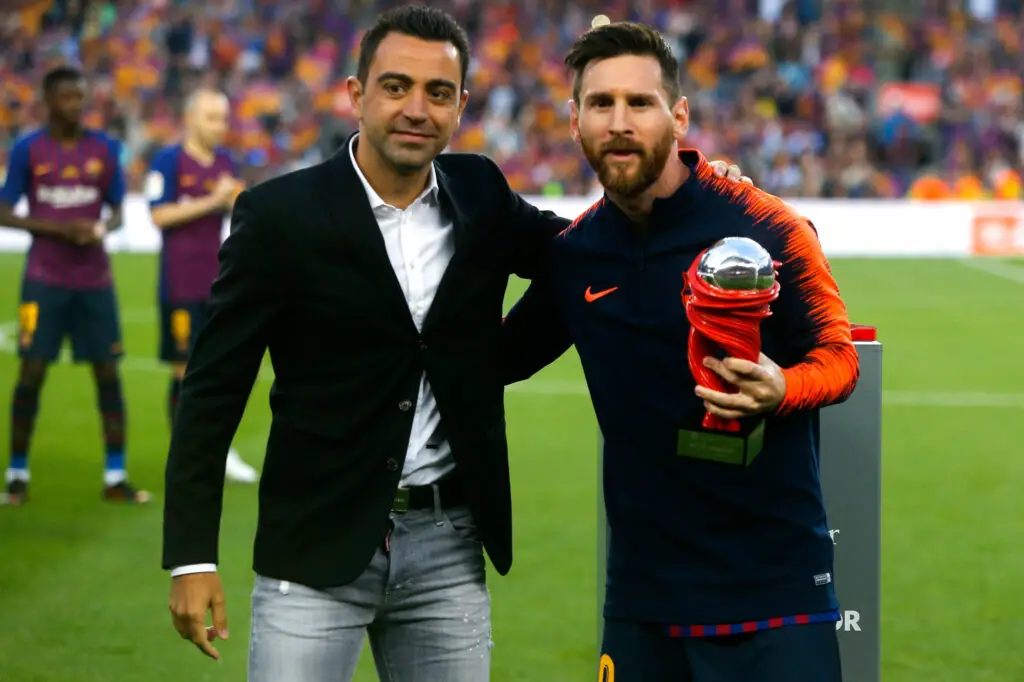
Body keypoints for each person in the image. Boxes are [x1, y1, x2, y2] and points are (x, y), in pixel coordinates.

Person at [161, 6, 751, 680]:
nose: (417, 109)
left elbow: (581, 254)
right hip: (314, 544)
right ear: (356, 95)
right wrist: (191, 557)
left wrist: (692, 189)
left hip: (447, 547)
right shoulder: (279, 217)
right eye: (396, 87)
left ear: (461, 106)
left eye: (438, 92)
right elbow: (212, 391)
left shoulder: (480, 193)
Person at [500, 21, 860, 682]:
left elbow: (840, 357)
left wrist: (784, 388)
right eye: (601, 103)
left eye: (640, 102)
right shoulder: (576, 256)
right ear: (574, 121)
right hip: (644, 603)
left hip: (775, 594)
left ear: (680, 115)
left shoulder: (767, 225)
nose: (619, 122)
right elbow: (491, 361)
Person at [0, 65, 149, 506]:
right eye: (66, 97)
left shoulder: (103, 148)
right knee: (31, 372)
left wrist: (101, 228)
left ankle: (115, 476)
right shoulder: (28, 149)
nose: (75, 105)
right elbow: (4, 210)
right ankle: (17, 474)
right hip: (43, 279)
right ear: (48, 101)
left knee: (107, 372)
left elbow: (118, 210)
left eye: (80, 97)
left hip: (94, 280)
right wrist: (57, 229)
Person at [145, 87, 259, 484]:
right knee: (184, 372)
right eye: (211, 118)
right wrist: (213, 200)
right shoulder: (168, 160)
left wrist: (234, 198)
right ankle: (186, 454)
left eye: (223, 118)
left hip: (218, 284)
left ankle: (217, 450)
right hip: (179, 284)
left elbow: (242, 207)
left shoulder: (225, 161)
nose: (219, 126)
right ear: (190, 119)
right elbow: (158, 215)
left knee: (218, 373)